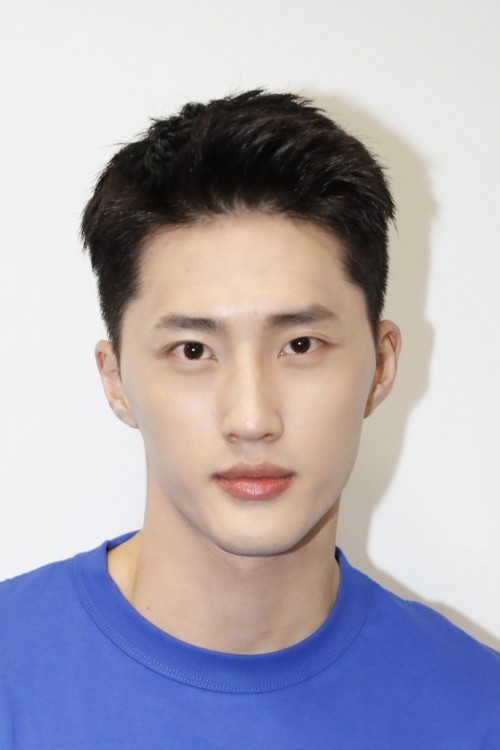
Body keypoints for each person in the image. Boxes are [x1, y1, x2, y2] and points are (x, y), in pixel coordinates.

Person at [1, 90, 498, 749]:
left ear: (380, 366)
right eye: (193, 351)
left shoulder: (479, 712)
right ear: (115, 380)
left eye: (300, 345)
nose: (252, 419)